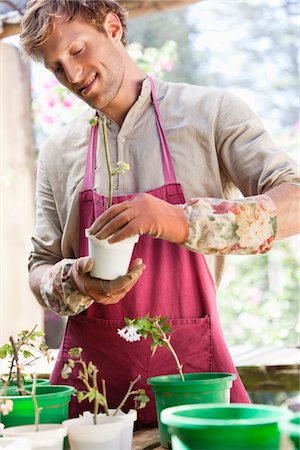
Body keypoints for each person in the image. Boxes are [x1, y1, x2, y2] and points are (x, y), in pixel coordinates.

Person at [20, 0, 299, 426]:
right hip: (90, 399)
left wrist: (180, 221)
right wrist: (75, 280)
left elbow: (294, 201)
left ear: (112, 27)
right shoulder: (59, 153)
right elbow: (40, 267)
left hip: (192, 381)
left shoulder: (211, 113)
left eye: (77, 51)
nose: (72, 76)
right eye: (56, 68)